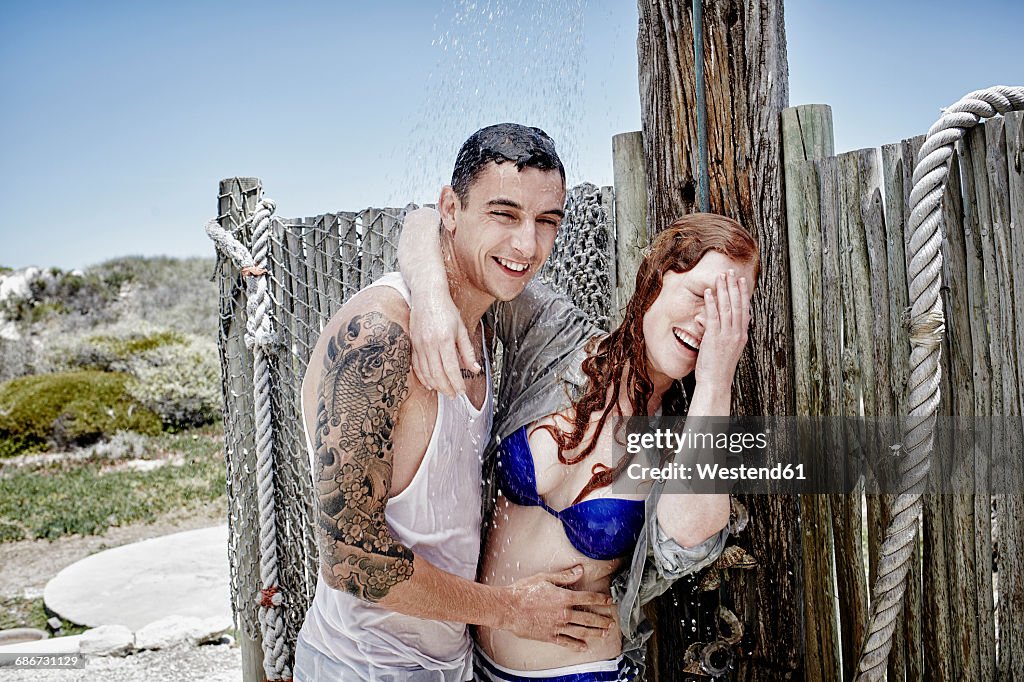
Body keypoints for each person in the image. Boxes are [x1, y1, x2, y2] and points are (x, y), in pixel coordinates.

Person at [293, 123, 617, 682]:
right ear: (452, 208)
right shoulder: (379, 336)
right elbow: (351, 560)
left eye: (547, 222)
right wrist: (510, 609)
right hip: (362, 668)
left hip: (450, 665)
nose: (527, 245)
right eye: (504, 214)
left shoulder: (495, 321)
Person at [399, 208, 760, 681]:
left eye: (728, 312)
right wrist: (430, 300)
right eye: (700, 296)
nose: (706, 324)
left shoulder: (681, 440)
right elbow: (426, 224)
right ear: (656, 277)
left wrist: (715, 380)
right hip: (471, 665)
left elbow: (685, 548)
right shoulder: (555, 338)